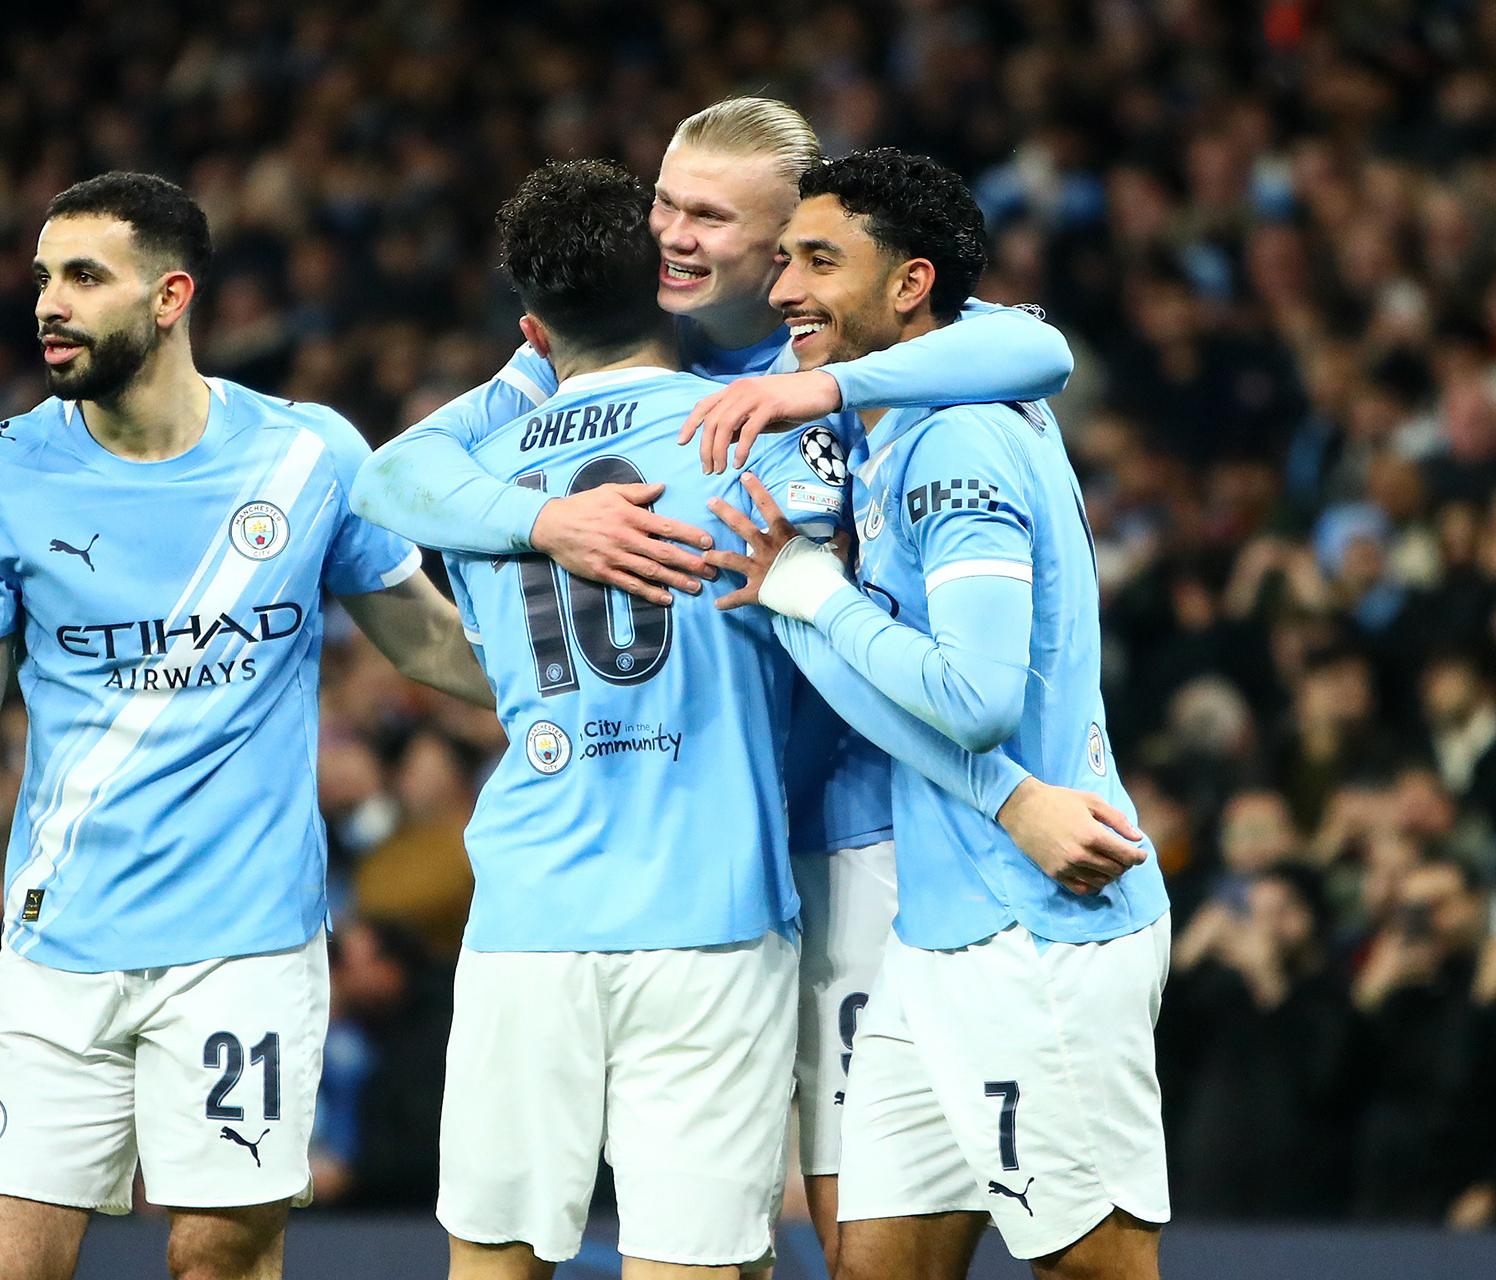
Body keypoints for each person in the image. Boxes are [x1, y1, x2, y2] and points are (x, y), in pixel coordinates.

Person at [349, 97, 1141, 1266]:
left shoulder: (829, 352)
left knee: (872, 1229)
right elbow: (396, 478)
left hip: (881, 826)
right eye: (664, 199)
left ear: (789, 239)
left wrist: (820, 389)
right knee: (838, 1238)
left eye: (708, 216)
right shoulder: (610, 358)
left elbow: (1039, 347)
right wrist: (545, 519)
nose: (668, 232)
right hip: (748, 848)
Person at [0, 172, 493, 1280]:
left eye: (84, 276)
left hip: (246, 949)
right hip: (56, 949)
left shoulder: (309, 456)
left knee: (219, 1261)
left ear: (170, 297)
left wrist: (588, 688)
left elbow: (426, 640)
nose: (48, 300)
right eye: (43, 275)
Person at [705, 150, 1169, 1280]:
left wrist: (814, 592)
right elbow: (882, 689)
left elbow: (976, 695)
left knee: (1089, 1260)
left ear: (911, 284)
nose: (784, 291)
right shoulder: (904, 427)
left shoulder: (958, 435)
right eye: (782, 261)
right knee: (880, 1262)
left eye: (820, 260)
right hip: (942, 929)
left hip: (1040, 925)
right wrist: (804, 598)